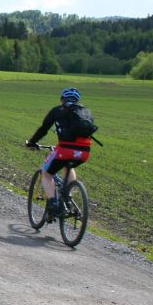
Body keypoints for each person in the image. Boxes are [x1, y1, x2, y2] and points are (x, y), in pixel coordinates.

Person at [25, 87, 94, 218]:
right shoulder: (85, 112)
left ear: (62, 99)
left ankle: (53, 204)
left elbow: (43, 129)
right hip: (84, 152)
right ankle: (67, 196)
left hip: (64, 150)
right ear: (77, 100)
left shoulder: (57, 111)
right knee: (69, 167)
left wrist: (31, 142)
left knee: (46, 173)